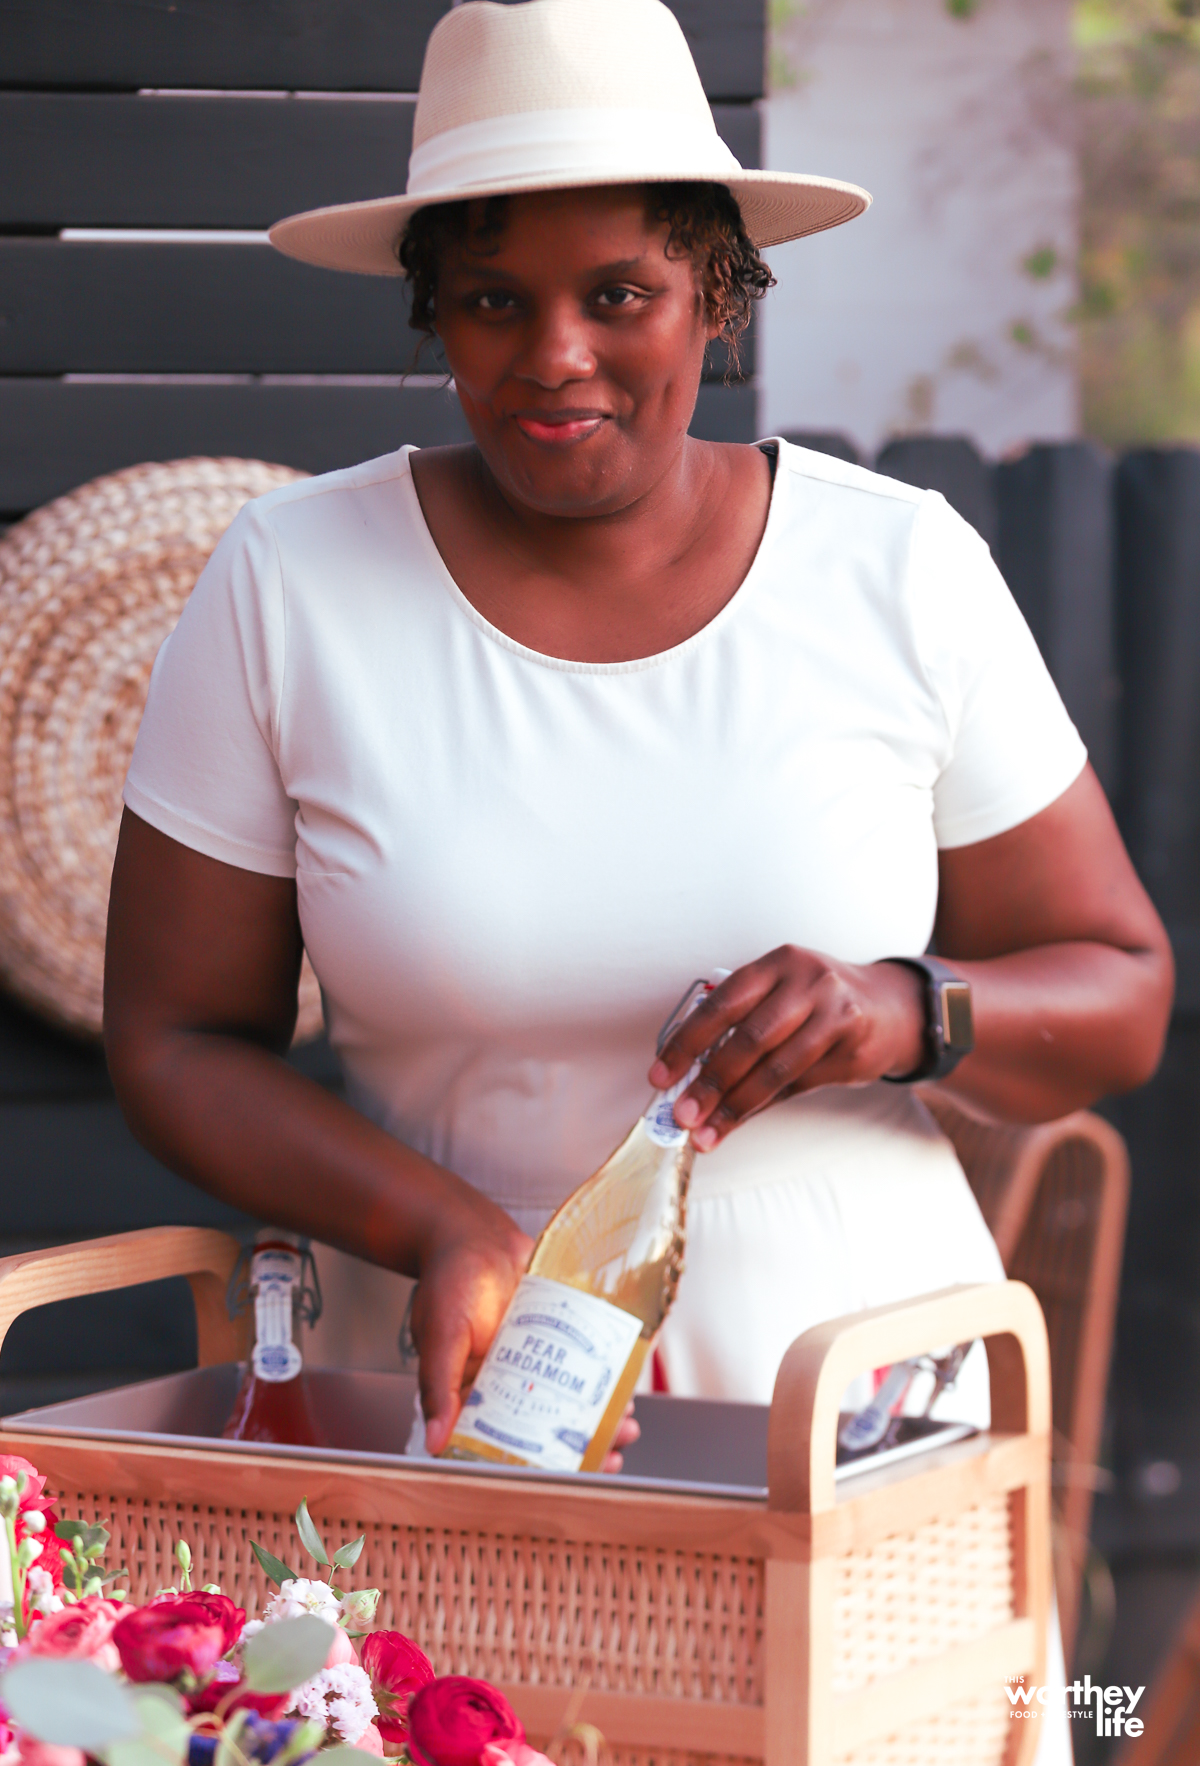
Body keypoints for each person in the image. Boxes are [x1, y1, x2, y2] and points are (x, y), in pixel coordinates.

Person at [105, 9, 1170, 1755]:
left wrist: (904, 1008)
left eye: (620, 292)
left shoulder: (898, 573)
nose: (557, 355)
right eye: (493, 298)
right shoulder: (291, 581)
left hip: (868, 1447)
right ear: (430, 309)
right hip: (476, 1448)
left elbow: (1118, 986)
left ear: (718, 296)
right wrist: (439, 1224)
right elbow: (173, 1037)